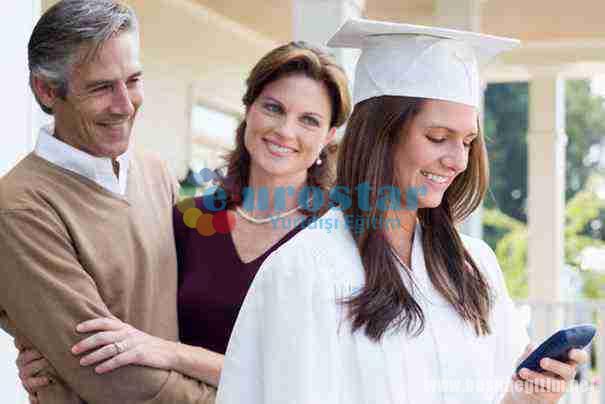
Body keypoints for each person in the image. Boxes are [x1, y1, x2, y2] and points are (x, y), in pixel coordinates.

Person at [216, 19, 589, 404]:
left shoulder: (475, 266)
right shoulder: (305, 270)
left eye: (467, 142)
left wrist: (523, 398)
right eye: (438, 138)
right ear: (381, 135)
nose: (457, 161)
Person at [15, 35, 352, 403]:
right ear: (249, 109)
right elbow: (130, 316)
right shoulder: (189, 220)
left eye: (309, 120)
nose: (285, 131)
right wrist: (54, 362)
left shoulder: (337, 239)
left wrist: (171, 353)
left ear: (329, 136)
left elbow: (313, 373)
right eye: (273, 108)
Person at [0, 0, 215, 402]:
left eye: (133, 80)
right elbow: (112, 377)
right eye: (101, 87)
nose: (125, 104)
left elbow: (194, 312)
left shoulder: (155, 173)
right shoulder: (19, 207)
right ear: (46, 90)